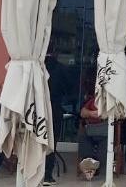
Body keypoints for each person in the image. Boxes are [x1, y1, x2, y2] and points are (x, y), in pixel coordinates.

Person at [43, 53, 71, 187]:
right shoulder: (61, 68)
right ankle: (47, 175)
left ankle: (33, 171)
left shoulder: (36, 66)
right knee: (51, 142)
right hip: (54, 109)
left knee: (36, 139)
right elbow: (68, 89)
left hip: (37, 108)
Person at [77, 87, 108, 182]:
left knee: (104, 145)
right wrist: (91, 113)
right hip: (91, 129)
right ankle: (87, 164)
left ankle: (95, 167)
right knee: (83, 136)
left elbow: (122, 115)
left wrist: (105, 114)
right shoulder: (92, 101)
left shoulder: (111, 103)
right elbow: (82, 113)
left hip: (105, 131)